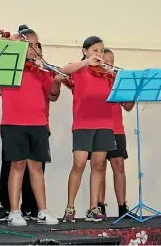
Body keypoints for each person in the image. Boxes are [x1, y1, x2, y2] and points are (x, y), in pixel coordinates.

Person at [1, 25, 61, 226]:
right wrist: (16, 42)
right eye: (29, 45)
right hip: (13, 122)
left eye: (36, 45)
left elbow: (52, 93)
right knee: (17, 166)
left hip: (38, 123)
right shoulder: (8, 63)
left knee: (36, 167)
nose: (34, 49)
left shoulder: (41, 70)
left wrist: (57, 80)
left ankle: (42, 210)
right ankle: (14, 211)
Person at [61, 36, 117, 222]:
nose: (99, 54)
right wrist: (86, 62)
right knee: (79, 164)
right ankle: (70, 207)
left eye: (101, 51)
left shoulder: (106, 73)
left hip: (105, 123)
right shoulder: (79, 68)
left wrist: (114, 74)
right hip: (83, 123)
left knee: (99, 165)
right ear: (85, 51)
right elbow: (63, 71)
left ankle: (93, 207)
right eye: (95, 50)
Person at [97, 48, 134, 219]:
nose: (110, 64)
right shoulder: (95, 78)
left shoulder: (118, 79)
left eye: (112, 60)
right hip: (99, 126)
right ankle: (99, 206)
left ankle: (122, 207)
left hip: (117, 128)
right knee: (100, 167)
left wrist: (132, 90)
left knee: (119, 165)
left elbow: (127, 107)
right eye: (106, 60)